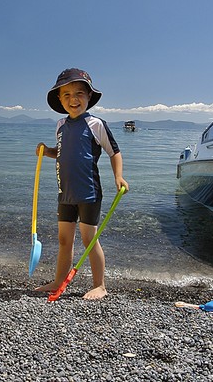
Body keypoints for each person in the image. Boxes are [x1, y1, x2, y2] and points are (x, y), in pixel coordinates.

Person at [35, 68, 129, 300]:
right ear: (59, 99)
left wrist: (118, 177)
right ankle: (58, 281)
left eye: (79, 93)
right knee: (64, 240)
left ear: (89, 97)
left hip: (88, 193)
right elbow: (63, 151)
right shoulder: (60, 125)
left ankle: (100, 285)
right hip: (64, 193)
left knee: (90, 239)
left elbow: (114, 152)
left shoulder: (96, 124)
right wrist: (47, 151)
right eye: (66, 95)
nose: (73, 99)